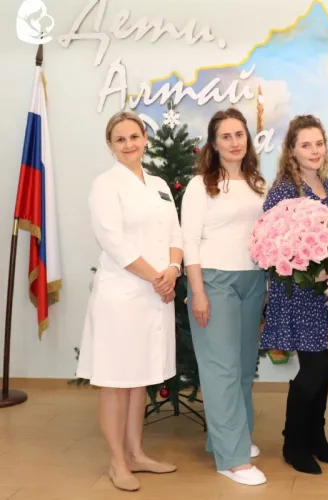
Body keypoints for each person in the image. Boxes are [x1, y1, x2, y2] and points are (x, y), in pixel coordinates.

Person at [78, 111, 182, 492]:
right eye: (120, 139)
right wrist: (157, 277)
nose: (129, 144)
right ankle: (117, 461)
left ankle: (136, 453)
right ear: (110, 145)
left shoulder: (158, 185)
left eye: (134, 136)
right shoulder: (105, 185)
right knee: (116, 380)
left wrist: (173, 269)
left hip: (156, 294)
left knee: (140, 379)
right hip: (122, 295)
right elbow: (114, 241)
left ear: (145, 140)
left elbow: (175, 232)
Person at [181, 108, 268, 486]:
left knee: (244, 367)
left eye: (239, 134)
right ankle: (231, 459)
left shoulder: (258, 183)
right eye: (226, 136)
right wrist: (197, 292)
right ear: (214, 144)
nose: (235, 142)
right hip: (214, 282)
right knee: (222, 370)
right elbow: (188, 242)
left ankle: (232, 437)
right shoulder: (200, 185)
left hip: (253, 281)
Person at [261, 115, 328, 475]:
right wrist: (308, 266)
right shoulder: (284, 190)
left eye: (318, 143)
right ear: (291, 150)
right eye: (305, 145)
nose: (314, 151)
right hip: (298, 292)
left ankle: (316, 436)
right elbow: (271, 243)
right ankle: (293, 442)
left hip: (325, 294)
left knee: (323, 367)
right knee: (313, 369)